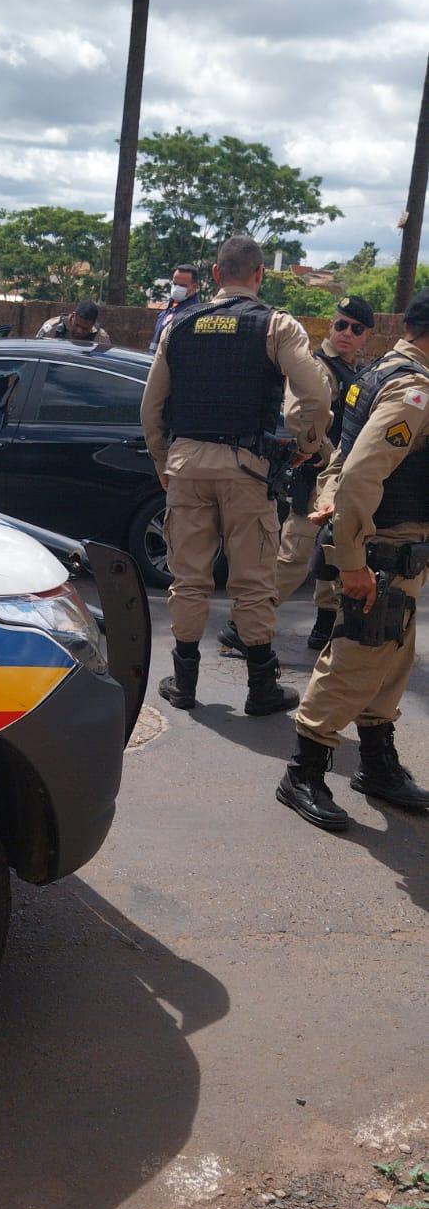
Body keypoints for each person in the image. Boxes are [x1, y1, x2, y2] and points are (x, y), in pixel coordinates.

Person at [140, 235, 331, 715]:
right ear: (260, 274)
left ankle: (183, 683)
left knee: (188, 578)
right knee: (251, 580)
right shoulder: (276, 326)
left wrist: (164, 461)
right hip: (247, 469)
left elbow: (151, 407)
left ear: (216, 274)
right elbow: (316, 398)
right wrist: (308, 446)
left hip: (186, 465)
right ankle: (260, 687)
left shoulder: (178, 325)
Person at [276, 286, 429, 830]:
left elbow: (341, 456)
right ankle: (304, 771)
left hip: (395, 552)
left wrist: (329, 502)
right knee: (355, 660)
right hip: (381, 551)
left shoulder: (378, 373)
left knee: (390, 660)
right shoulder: (411, 390)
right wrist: (351, 559)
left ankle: (377, 762)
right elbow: (362, 473)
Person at [218, 294, 375, 657]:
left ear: (367, 335)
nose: (346, 333)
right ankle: (242, 628)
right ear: (331, 324)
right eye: (340, 324)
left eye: (356, 328)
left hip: (339, 479)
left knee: (334, 556)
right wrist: (324, 452)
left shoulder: (354, 371)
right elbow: (299, 415)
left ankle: (323, 629)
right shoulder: (320, 367)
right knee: (294, 556)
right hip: (316, 475)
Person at [149, 265, 200, 352]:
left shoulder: (193, 315)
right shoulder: (168, 310)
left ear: (194, 287)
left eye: (182, 285)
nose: (176, 288)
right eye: (175, 284)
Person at [36, 300, 111, 348]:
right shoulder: (52, 327)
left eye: (85, 328)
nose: (79, 331)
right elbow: (37, 349)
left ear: (93, 324)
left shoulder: (101, 338)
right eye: (77, 325)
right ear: (73, 315)